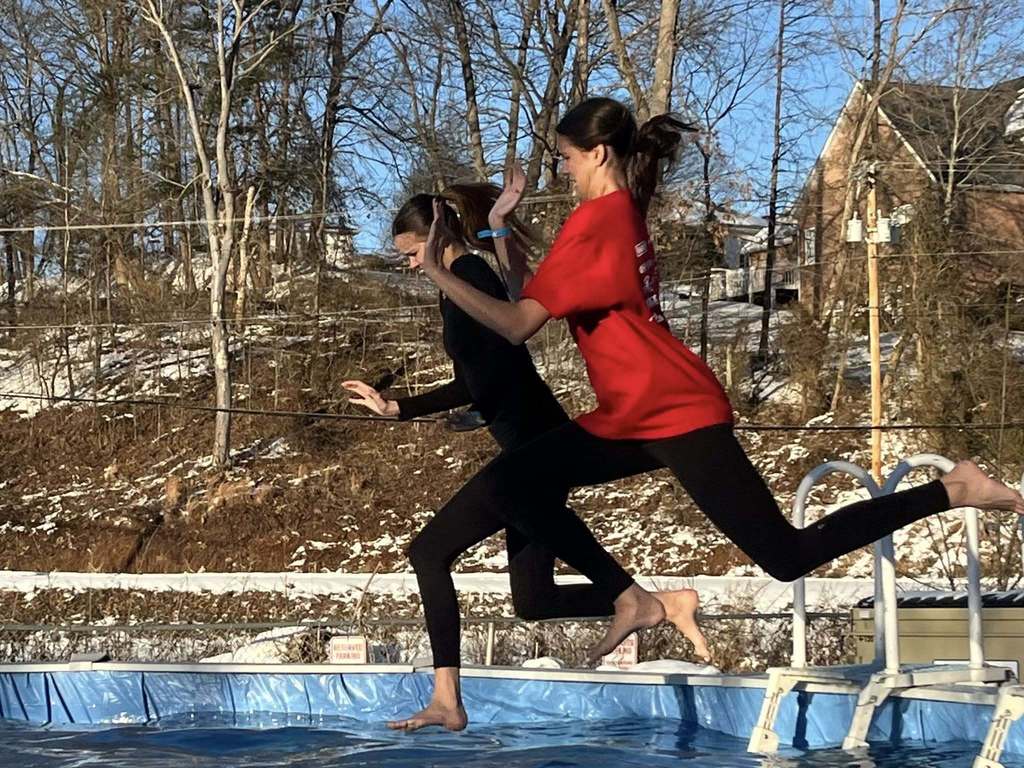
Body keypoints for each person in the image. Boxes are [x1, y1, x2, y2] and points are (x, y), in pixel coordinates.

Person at [407, 96, 1024, 730]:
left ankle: (953, 489)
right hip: (628, 412)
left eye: (565, 158)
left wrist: (438, 271)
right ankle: (600, 616)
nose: (561, 171)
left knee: (784, 555)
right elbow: (534, 297)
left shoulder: (598, 227)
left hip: (675, 411)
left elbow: (515, 325)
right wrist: (502, 230)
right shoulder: (614, 216)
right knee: (509, 486)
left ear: (597, 153)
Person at [344, 177, 711, 732]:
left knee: (428, 552)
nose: (412, 266)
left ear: (439, 235)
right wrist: (400, 407)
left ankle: (449, 696)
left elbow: (501, 371)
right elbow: (475, 383)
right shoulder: (458, 285)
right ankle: (662, 603)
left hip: (535, 443)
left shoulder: (469, 276)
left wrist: (413, 406)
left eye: (414, 253)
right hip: (526, 439)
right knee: (534, 600)